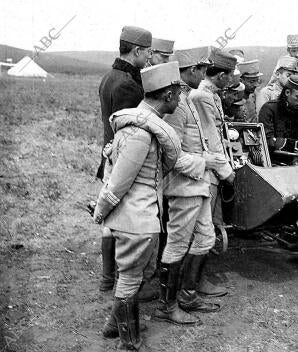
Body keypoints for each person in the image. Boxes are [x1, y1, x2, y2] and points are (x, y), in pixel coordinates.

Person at [93, 61, 182, 350]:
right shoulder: (141, 133)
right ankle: (129, 342)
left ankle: (112, 327)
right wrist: (100, 210)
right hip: (135, 220)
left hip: (138, 218)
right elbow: (118, 181)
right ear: (167, 95)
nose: (180, 99)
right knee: (130, 280)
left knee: (133, 277)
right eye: (178, 94)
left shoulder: (138, 125)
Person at [156, 50, 232, 326]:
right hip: (182, 187)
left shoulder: (187, 99)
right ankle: (167, 305)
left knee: (205, 239)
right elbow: (171, 155)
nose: (204, 75)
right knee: (176, 245)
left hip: (197, 184)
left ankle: (188, 295)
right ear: (190, 71)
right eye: (201, 70)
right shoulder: (176, 107)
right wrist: (205, 161)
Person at [97, 26, 152, 295]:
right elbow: (128, 132)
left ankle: (108, 278)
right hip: (122, 159)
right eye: (148, 53)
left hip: (108, 156)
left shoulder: (108, 77)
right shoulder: (130, 85)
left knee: (110, 223)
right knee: (123, 222)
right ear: (137, 50)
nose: (149, 59)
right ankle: (123, 282)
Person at [193, 50, 237, 296]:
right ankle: (195, 284)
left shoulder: (212, 95)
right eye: (229, 76)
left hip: (211, 167)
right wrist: (226, 172)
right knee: (202, 228)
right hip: (206, 170)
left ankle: (196, 281)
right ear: (221, 76)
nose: (231, 81)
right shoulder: (203, 97)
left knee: (206, 226)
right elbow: (211, 139)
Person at [259, 75, 298, 163]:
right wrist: (295, 145)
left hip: (295, 162)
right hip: (272, 162)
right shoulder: (269, 109)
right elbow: (269, 142)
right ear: (287, 92)